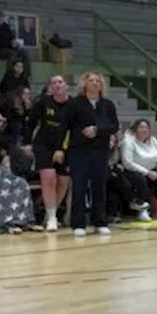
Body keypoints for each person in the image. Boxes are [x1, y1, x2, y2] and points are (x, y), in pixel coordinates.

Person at [63, 72, 119, 237]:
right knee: (79, 187)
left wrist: (97, 130)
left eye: (98, 81)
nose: (95, 83)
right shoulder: (74, 103)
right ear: (84, 84)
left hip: (100, 151)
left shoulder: (108, 105)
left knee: (99, 187)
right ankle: (78, 224)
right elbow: (66, 126)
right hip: (79, 150)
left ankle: (100, 222)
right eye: (91, 80)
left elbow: (113, 126)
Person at [30, 76, 72, 232]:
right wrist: (28, 142)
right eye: (53, 82)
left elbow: (73, 128)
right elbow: (31, 122)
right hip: (43, 145)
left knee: (62, 182)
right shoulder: (43, 102)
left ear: (66, 85)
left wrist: (62, 148)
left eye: (60, 82)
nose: (57, 85)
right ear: (50, 87)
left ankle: (51, 213)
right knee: (49, 178)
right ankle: (52, 217)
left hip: (65, 146)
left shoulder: (73, 104)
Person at [119, 119, 157, 221]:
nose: (144, 130)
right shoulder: (128, 142)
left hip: (152, 170)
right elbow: (128, 163)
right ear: (135, 130)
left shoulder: (153, 141)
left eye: (146, 127)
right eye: (141, 127)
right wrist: (147, 172)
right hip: (135, 172)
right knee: (140, 179)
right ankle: (142, 210)